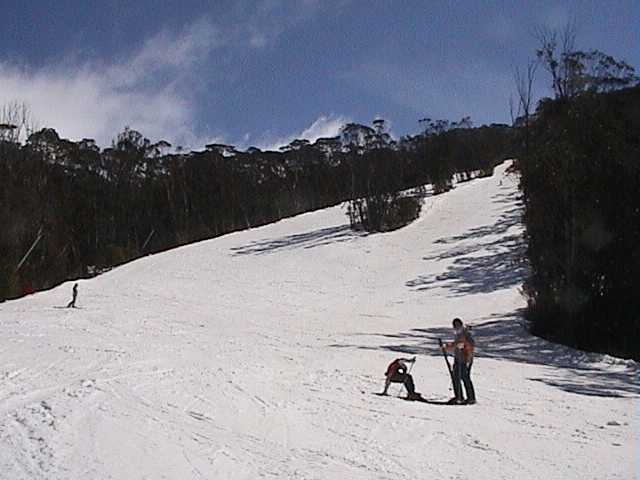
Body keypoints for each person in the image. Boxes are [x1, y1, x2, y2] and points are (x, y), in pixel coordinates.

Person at [442, 318, 476, 405]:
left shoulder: (465, 334)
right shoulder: (459, 334)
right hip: (458, 359)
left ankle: (470, 398)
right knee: (456, 378)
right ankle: (459, 396)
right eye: (455, 326)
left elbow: (470, 346)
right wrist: (446, 347)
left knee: (465, 378)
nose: (456, 327)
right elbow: (456, 344)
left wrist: (464, 348)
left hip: (465, 360)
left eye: (457, 325)